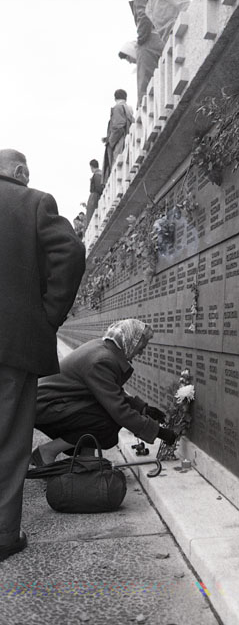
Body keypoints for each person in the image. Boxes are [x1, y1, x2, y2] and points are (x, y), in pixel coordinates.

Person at [0, 149, 85, 561]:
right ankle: (3, 536)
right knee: (9, 440)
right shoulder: (33, 202)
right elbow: (71, 252)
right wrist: (47, 317)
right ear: (19, 171)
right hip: (13, 344)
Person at [33, 319, 177, 465]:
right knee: (106, 421)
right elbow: (119, 410)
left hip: (54, 402)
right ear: (130, 342)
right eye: (140, 348)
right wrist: (159, 432)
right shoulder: (101, 360)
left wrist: (143, 409)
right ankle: (47, 451)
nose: (140, 353)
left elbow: (110, 391)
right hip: (46, 406)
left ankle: (86, 460)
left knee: (102, 413)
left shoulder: (104, 348)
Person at [120, 0, 189, 105]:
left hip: (164, 35)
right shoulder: (149, 2)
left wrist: (141, 39)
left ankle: (142, 105)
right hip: (167, 38)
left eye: (128, 58)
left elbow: (142, 16)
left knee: (146, 77)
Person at [102, 89, 135, 184]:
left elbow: (118, 127)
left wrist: (110, 141)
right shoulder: (128, 109)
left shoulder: (117, 108)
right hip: (127, 142)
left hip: (119, 144)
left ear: (115, 98)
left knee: (117, 170)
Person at [85, 159, 103, 227]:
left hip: (95, 197)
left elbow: (99, 188)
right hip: (96, 196)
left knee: (91, 216)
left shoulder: (97, 175)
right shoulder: (101, 174)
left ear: (91, 167)